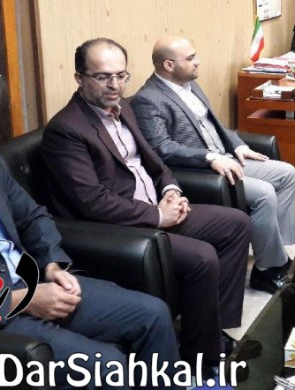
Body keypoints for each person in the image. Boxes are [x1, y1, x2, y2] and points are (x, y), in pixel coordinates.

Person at [0, 77, 181, 389]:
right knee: (107, 366)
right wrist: (23, 301)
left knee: (153, 314)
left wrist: (52, 263)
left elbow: (32, 217)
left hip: (36, 282)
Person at [41, 38, 252, 371]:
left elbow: (153, 160)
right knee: (201, 257)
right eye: (103, 77)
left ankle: (213, 330)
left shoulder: (123, 107)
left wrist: (171, 190)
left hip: (155, 207)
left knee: (236, 223)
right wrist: (156, 216)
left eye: (121, 75)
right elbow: (91, 202)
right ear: (79, 78)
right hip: (120, 229)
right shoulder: (66, 130)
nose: (114, 85)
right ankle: (202, 358)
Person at [131, 36, 295, 294]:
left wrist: (238, 146)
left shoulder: (190, 85)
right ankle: (267, 270)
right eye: (190, 58)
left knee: (287, 174)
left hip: (226, 157)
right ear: (169, 65)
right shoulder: (147, 99)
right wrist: (209, 157)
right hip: (201, 171)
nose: (198, 62)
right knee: (264, 193)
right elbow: (161, 148)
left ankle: (277, 255)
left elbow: (216, 125)